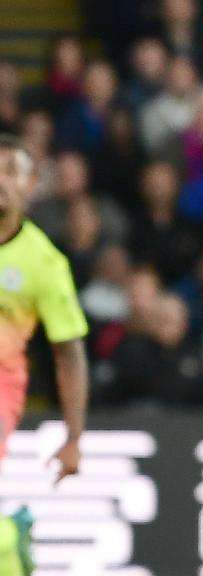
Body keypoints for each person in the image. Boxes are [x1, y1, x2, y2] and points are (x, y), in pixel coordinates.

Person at [0, 134, 89, 575]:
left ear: (31, 184)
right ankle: (9, 542)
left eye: (10, 171)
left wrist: (74, 438)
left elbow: (69, 354)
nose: (0, 181)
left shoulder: (44, 263)